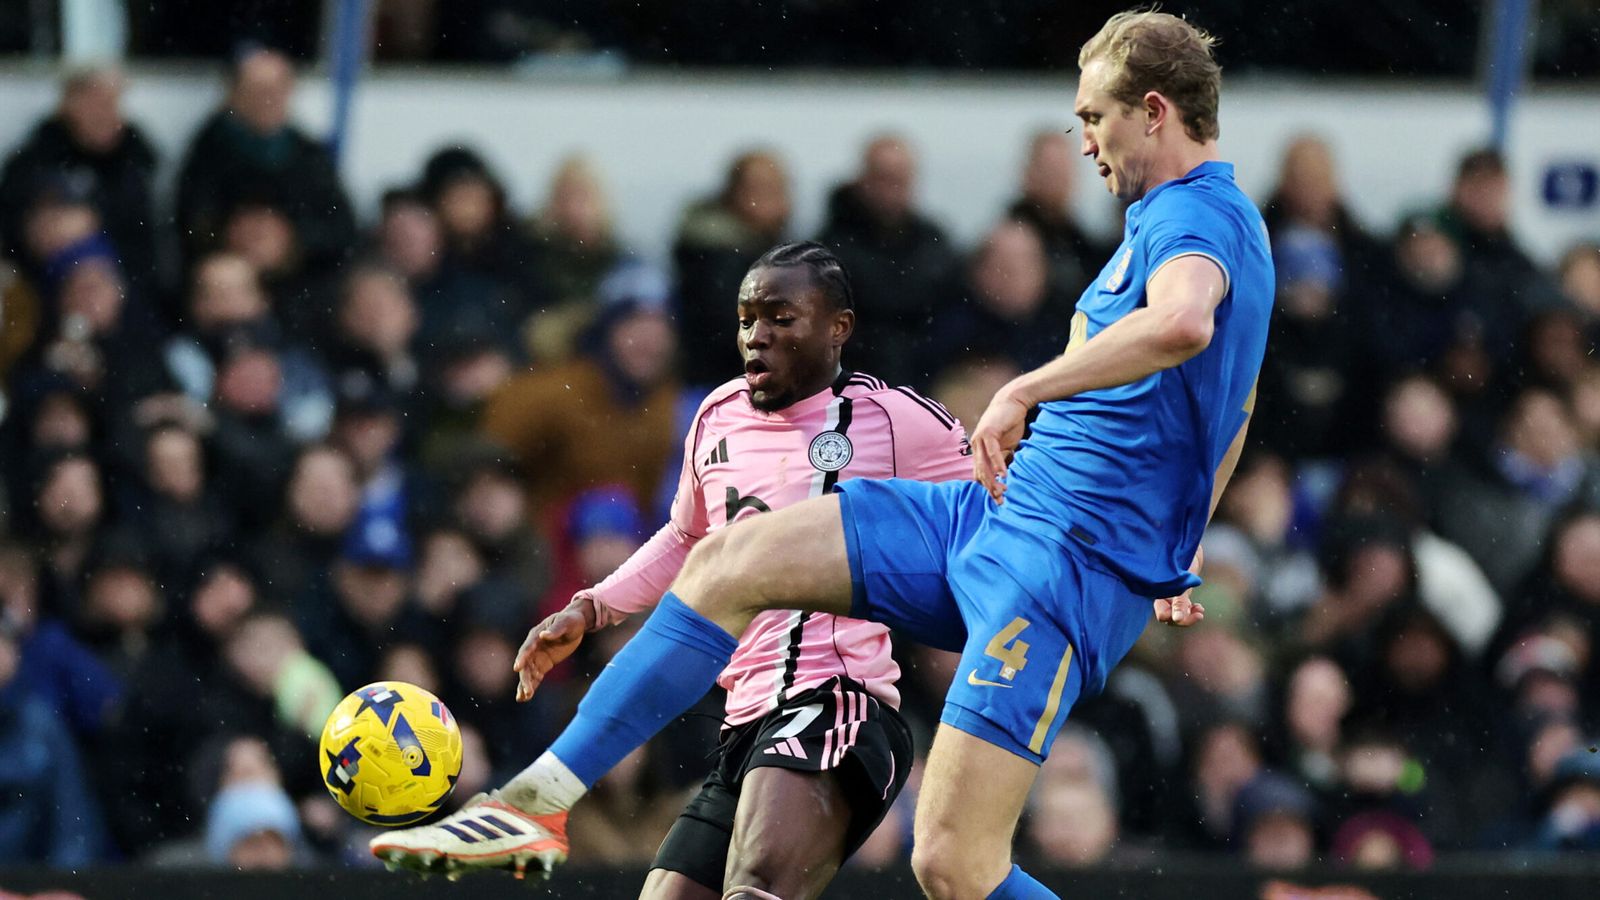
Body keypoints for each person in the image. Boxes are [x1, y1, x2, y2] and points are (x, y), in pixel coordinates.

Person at [375, 11, 1272, 900]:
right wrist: (1183, 542)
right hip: (997, 517)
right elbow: (1232, 406)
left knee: (953, 866)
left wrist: (1023, 390)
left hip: (1061, 569)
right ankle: (532, 806)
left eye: (1094, 117)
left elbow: (1184, 324)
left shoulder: (1198, 214)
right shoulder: (1171, 221)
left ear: (1153, 111)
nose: (1084, 140)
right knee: (729, 559)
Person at [376, 240, 971, 895]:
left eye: (781, 319)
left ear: (839, 327)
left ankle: (532, 804)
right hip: (742, 720)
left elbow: (988, 520)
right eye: (747, 320)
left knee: (756, 885)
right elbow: (688, 540)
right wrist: (595, 605)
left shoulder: (896, 420)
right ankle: (532, 806)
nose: (757, 336)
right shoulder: (716, 416)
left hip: (837, 705)